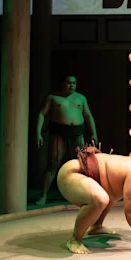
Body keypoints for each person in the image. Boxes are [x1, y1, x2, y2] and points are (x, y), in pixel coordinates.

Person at [57, 134, 131, 254]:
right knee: (101, 198)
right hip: (71, 174)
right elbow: (130, 213)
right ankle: (75, 239)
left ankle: (97, 226)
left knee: (113, 192)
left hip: (84, 175)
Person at [36, 75, 98, 205]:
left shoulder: (81, 98)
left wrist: (94, 133)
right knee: (53, 164)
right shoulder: (53, 98)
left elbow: (88, 115)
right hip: (58, 133)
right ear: (62, 83)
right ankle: (43, 195)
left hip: (77, 133)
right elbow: (42, 114)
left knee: (82, 165)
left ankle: (84, 194)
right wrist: (38, 133)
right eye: (69, 83)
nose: (72, 85)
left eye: (74, 83)